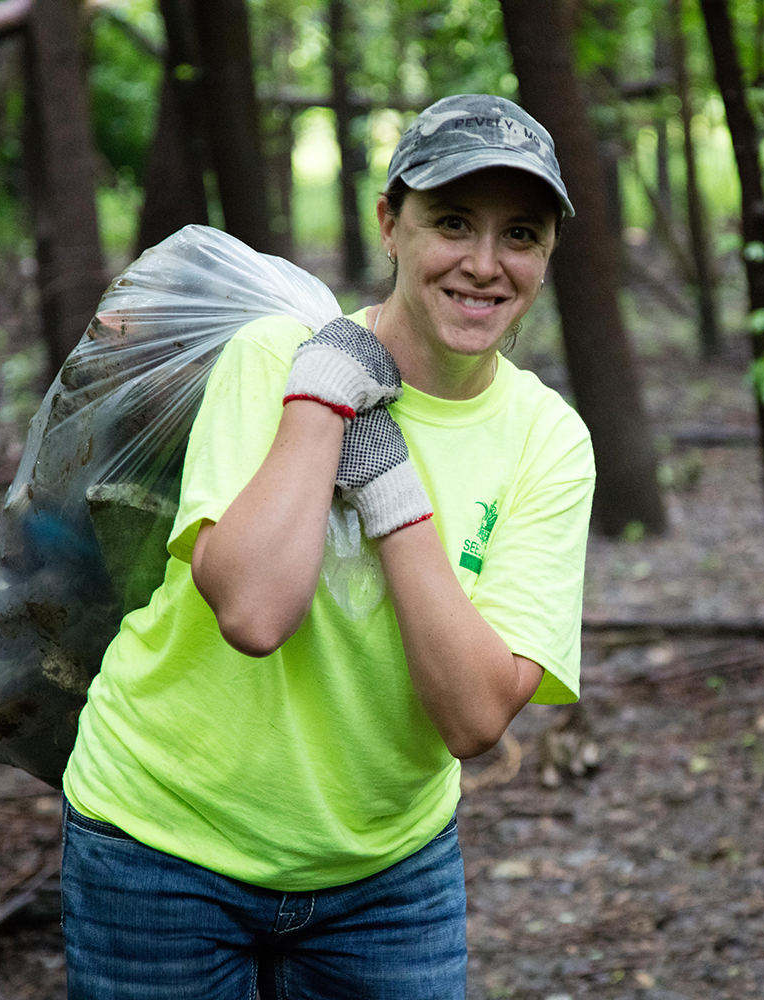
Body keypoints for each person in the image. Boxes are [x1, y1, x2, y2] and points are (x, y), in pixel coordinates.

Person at [58, 94, 594, 999]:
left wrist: (389, 483)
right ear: (390, 223)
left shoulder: (550, 441)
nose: (483, 264)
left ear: (546, 258)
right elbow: (256, 614)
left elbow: (473, 720)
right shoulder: (279, 357)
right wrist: (320, 397)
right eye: (452, 223)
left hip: (387, 875)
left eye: (522, 236)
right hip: (161, 845)